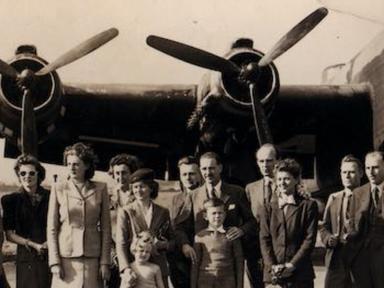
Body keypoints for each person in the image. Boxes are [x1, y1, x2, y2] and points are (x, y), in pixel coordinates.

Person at [176, 152, 256, 270]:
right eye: (204, 169)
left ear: (220, 168)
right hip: (203, 260)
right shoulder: (193, 196)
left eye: (211, 168)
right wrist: (185, 245)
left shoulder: (236, 192)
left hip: (229, 258)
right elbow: (180, 226)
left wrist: (242, 230)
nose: (207, 173)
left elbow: (252, 221)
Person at [47, 142, 111, 288]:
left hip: (93, 258)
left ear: (87, 165)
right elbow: (52, 228)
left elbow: (106, 228)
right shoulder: (58, 188)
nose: (71, 167)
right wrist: (54, 262)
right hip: (65, 258)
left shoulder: (101, 188)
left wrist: (105, 262)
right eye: (68, 164)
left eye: (76, 164)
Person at [259, 158, 318, 288]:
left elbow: (309, 239)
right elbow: (264, 239)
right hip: (274, 275)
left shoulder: (308, 206)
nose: (282, 183)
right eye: (279, 179)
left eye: (287, 179)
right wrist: (273, 266)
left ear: (296, 180)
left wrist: (292, 265)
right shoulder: (267, 208)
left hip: (300, 274)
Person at [116, 168, 174, 288]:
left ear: (151, 188)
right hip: (136, 269)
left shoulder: (163, 212)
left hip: (158, 268)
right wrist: (126, 269)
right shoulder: (126, 211)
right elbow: (120, 243)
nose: (138, 190)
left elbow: (172, 240)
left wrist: (162, 245)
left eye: (142, 186)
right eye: (135, 187)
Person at [1, 154, 50, 288]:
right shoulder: (10, 200)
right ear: (18, 175)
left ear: (38, 174)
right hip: (26, 256)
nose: (27, 176)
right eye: (22, 173)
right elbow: (9, 234)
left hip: (49, 253)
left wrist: (48, 243)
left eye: (31, 173)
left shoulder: (51, 197)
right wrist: (33, 244)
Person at [319, 155, 363, 287]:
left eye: (351, 172)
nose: (347, 176)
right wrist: (328, 239)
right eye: (344, 172)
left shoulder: (368, 198)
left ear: (361, 173)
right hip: (336, 260)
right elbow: (324, 227)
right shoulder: (334, 198)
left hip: (360, 260)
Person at [245, 143, 278, 288]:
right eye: (261, 161)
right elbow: (247, 218)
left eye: (269, 160)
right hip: (256, 247)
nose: (265, 165)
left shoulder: (287, 185)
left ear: (277, 161)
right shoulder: (251, 188)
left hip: (280, 246)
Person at [191, 198, 243, 288]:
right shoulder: (199, 237)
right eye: (213, 213)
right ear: (205, 216)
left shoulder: (232, 235)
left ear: (225, 214)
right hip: (205, 282)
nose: (217, 216)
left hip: (227, 282)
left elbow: (239, 262)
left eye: (220, 213)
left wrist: (239, 285)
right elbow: (195, 264)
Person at [351, 151, 384, 287]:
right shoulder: (358, 193)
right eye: (367, 168)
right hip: (362, 261)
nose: (371, 172)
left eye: (375, 167)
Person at [168, 156, 202, 288]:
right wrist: (184, 244)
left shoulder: (206, 195)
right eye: (184, 174)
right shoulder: (176, 199)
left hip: (203, 252)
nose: (188, 178)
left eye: (192, 174)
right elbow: (174, 225)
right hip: (181, 254)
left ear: (200, 175)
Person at [108, 154, 141, 287]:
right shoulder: (108, 197)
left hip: (135, 254)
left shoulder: (139, 196)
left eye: (124, 173)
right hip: (112, 255)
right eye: (117, 173)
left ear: (132, 174)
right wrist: (112, 253)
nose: (120, 177)